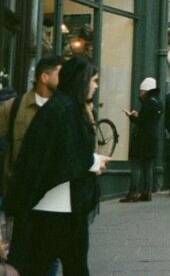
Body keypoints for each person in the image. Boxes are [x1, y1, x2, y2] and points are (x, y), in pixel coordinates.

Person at [5, 56, 110, 275]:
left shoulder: (65, 107)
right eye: (94, 80)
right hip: (55, 206)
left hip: (65, 204)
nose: (96, 86)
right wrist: (93, 162)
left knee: (69, 266)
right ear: (82, 80)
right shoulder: (63, 109)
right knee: (49, 266)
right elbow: (61, 154)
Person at [3, 56, 61, 191]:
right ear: (45, 77)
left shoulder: (65, 108)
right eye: (60, 74)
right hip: (20, 191)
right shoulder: (13, 107)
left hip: (54, 193)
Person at [121, 77, 162, 203]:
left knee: (137, 165)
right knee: (148, 166)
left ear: (146, 91)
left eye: (141, 91)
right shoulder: (158, 102)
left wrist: (132, 117)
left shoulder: (148, 103)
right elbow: (150, 120)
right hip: (152, 137)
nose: (140, 93)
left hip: (142, 137)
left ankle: (133, 193)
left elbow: (142, 122)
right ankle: (147, 192)